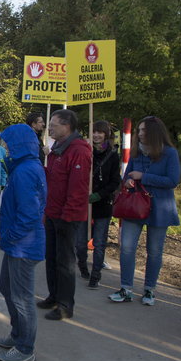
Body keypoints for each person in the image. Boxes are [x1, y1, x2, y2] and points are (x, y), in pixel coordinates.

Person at [108, 116, 181, 306]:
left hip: (160, 208)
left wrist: (144, 177)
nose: (139, 134)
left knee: (155, 251)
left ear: (155, 133)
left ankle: (149, 290)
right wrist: (129, 181)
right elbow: (126, 177)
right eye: (138, 130)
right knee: (127, 247)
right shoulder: (136, 153)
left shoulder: (170, 153)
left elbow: (173, 181)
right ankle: (126, 289)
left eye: (143, 131)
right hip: (135, 206)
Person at [0, 124, 47, 361]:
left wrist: (10, 237)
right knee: (7, 288)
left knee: (22, 298)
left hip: (23, 245)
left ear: (19, 144)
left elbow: (29, 214)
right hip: (18, 243)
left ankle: (26, 348)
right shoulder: (23, 167)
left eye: (7, 143)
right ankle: (17, 335)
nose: (5, 147)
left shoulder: (26, 171)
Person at [37, 109, 91, 321]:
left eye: (54, 124)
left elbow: (77, 188)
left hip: (67, 216)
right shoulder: (58, 148)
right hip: (53, 212)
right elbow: (54, 180)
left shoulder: (78, 150)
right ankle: (54, 296)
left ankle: (65, 305)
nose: (50, 127)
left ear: (67, 126)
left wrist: (66, 216)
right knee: (51, 257)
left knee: (65, 262)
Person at [75, 120, 121, 289]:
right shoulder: (85, 152)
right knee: (80, 243)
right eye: (94, 132)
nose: (96, 135)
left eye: (100, 132)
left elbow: (115, 181)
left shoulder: (113, 155)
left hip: (103, 204)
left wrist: (99, 195)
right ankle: (82, 266)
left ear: (106, 134)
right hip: (84, 204)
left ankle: (95, 275)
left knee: (99, 243)